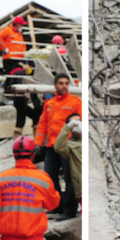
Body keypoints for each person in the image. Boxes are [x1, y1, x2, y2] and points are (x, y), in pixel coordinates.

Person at [34, 73, 82, 221]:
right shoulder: (49, 104)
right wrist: (37, 143)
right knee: (49, 177)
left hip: (67, 146)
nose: (64, 86)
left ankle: (69, 210)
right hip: (51, 146)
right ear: (55, 85)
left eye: (66, 83)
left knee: (69, 178)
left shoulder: (75, 102)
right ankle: (56, 206)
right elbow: (43, 124)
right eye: (61, 83)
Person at [53, 114, 82, 211]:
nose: (77, 124)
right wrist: (67, 128)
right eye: (74, 122)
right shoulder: (70, 146)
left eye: (79, 121)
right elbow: (58, 147)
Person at [6, 66, 43, 138]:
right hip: (20, 101)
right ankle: (36, 139)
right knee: (24, 120)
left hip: (18, 101)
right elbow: (23, 87)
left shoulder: (14, 72)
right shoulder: (21, 73)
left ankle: (17, 141)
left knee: (22, 121)